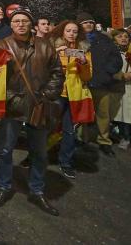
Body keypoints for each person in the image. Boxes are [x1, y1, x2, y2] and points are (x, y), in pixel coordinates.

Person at [0, 7, 63, 216]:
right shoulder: (0, 46)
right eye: (16, 21)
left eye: (24, 21)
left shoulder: (45, 46)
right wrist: (11, 99)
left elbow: (57, 74)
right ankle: (4, 187)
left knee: (39, 152)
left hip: (38, 106)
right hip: (12, 107)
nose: (20, 24)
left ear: (31, 24)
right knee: (5, 150)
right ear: (11, 25)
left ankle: (37, 190)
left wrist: (45, 95)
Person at [51, 20, 93, 179]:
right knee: (48, 128)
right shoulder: (54, 47)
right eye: (68, 30)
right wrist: (56, 53)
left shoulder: (84, 50)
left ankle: (65, 162)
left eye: (74, 31)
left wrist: (83, 63)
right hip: (56, 94)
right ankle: (38, 156)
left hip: (73, 96)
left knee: (69, 131)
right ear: (62, 32)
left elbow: (88, 76)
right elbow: (45, 69)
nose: (71, 34)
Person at [79, 12, 124, 156]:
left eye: (91, 22)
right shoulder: (75, 38)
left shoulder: (105, 39)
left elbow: (116, 59)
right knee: (82, 114)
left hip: (102, 83)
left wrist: (107, 73)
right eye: (85, 22)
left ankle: (104, 141)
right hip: (82, 83)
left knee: (103, 114)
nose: (88, 24)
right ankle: (81, 139)